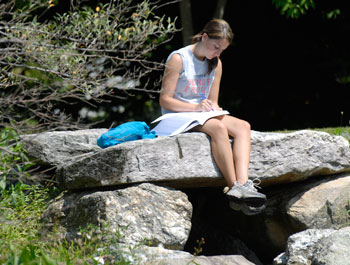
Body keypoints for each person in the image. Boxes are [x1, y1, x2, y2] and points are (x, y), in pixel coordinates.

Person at [159, 19, 266, 215]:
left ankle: (244, 185)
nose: (217, 53)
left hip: (201, 115)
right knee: (218, 128)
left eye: (222, 50)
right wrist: (196, 108)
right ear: (204, 37)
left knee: (243, 126)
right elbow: (165, 101)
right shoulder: (178, 58)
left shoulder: (216, 64)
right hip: (177, 116)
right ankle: (233, 185)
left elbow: (213, 102)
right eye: (216, 47)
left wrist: (215, 111)